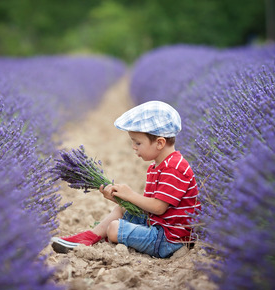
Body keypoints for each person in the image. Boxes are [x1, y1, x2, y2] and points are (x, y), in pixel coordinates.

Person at [51, 101, 200, 258]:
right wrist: (120, 199)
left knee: (115, 228)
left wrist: (130, 195)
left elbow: (158, 208)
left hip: (169, 239)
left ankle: (93, 238)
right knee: (121, 210)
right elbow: (147, 208)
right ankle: (89, 237)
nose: (133, 147)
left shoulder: (174, 168)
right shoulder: (158, 166)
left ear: (160, 143)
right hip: (159, 226)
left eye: (138, 142)